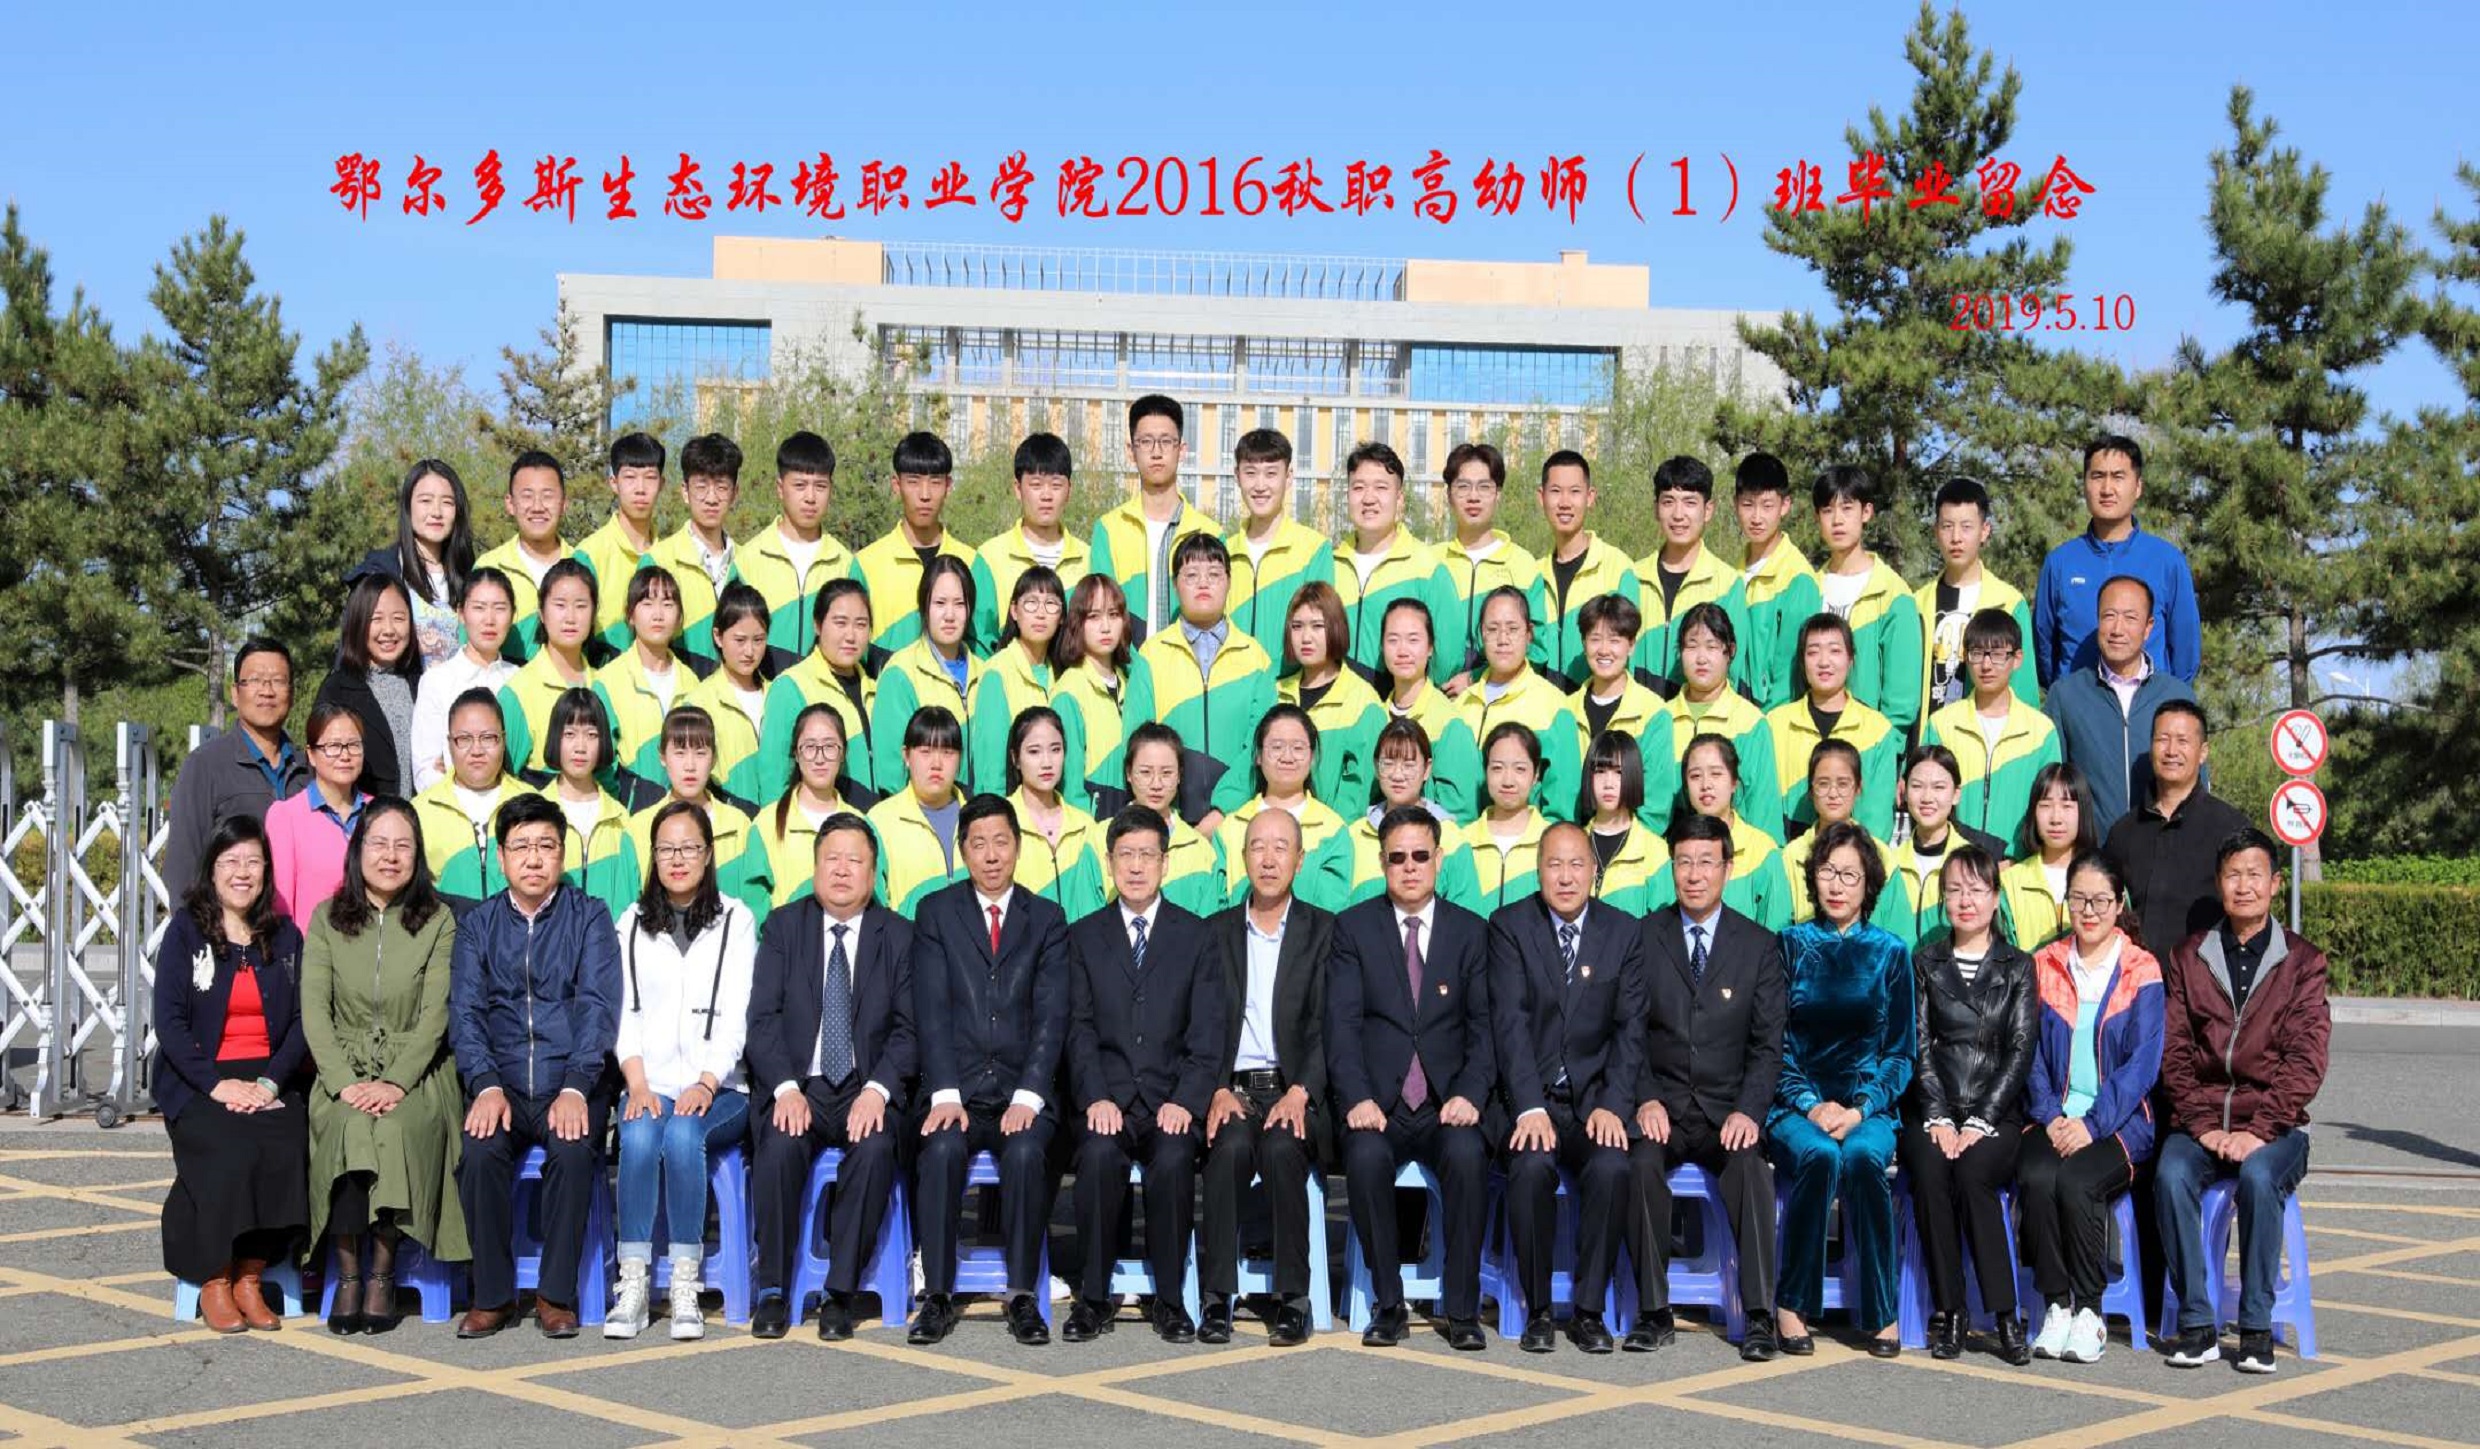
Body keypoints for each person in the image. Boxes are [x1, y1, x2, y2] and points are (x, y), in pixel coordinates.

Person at [2156, 829, 2331, 1376]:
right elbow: (2173, 1053)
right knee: (2170, 1174)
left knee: (2257, 1177)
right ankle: (2197, 1323)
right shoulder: (2189, 957)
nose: (2244, 885)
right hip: (2203, 1121)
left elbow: (2306, 1060)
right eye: (2233, 874)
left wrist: (2260, 1130)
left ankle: (2255, 1327)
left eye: (2255, 874)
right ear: (2219, 883)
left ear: (2276, 884)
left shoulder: (2303, 962)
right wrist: (2203, 1126)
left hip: (2277, 1128)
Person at [450, 792, 622, 1339]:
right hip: (499, 1083)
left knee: (572, 1153)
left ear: (562, 855)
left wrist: (575, 1085)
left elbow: (597, 1007)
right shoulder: (478, 925)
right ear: (501, 857)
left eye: (546, 846)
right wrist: (484, 1083)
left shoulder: (589, 917)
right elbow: (466, 1013)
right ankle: (493, 1295)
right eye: (520, 846)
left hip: (567, 1079)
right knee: (479, 1154)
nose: (533, 858)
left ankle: (555, 1294)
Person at [1329, 807, 1496, 1353]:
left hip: (1448, 1103)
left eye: (1420, 856)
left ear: (1439, 859)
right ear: (1382, 862)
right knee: (1364, 1158)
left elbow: (1485, 1028)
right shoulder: (1353, 929)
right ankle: (1388, 1304)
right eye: (1396, 857)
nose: (1409, 867)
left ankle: (1462, 1309)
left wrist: (1471, 1093)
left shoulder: (1470, 932)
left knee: (1468, 1158)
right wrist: (1356, 1097)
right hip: (1379, 1103)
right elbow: (1341, 1027)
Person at [907, 794, 1071, 1346]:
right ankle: (937, 1295)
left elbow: (1052, 1015)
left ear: (1019, 847)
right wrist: (944, 1093)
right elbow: (931, 1010)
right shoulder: (936, 912)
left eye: (1002, 842)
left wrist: (1029, 1094)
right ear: (963, 852)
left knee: (1025, 1155)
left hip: (1021, 1091)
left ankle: (1022, 1294)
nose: (992, 855)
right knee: (941, 1151)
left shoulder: (1046, 919)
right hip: (956, 1090)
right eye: (978, 844)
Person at [745, 812, 915, 1342]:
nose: (842, 870)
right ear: (815, 866)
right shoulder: (784, 927)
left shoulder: (899, 935)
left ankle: (841, 1292)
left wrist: (878, 1090)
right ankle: (773, 1289)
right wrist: (785, 1088)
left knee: (876, 1146)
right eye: (831, 859)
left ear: (873, 871)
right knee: (779, 1144)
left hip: (867, 1085)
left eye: (854, 860)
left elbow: (910, 1030)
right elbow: (762, 1020)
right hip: (802, 1085)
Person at [300, 797, 466, 1336]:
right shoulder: (326, 919)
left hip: (417, 1072)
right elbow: (314, 1012)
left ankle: (382, 1273)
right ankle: (349, 1273)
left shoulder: (438, 920)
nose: (390, 856)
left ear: (418, 855)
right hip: (343, 1069)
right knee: (351, 1126)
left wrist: (396, 1081)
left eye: (403, 846)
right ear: (358, 850)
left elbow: (435, 1015)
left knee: (393, 1129)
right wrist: (344, 1083)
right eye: (379, 844)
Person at [1629, 813, 1787, 1360]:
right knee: (1639, 1165)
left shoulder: (1758, 946)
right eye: (1684, 862)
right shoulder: (1644, 936)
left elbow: (1768, 1046)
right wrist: (1645, 1097)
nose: (1694, 875)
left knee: (1752, 1172)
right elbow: (1629, 1032)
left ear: (1727, 868)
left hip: (1727, 1110)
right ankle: (1653, 1312)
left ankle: (1760, 1315)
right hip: (1664, 1107)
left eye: (1706, 862)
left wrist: (1749, 1110)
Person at [1063, 806, 1222, 1344]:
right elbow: (1077, 1029)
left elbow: (1208, 1032)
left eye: (1147, 855)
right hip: (1106, 1099)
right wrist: (1094, 1095)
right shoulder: (1084, 936)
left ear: (1165, 862)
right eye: (1125, 855)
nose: (1136, 866)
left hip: (1169, 1100)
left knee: (1174, 1160)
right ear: (1109, 862)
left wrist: (1186, 1100)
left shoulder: (1196, 936)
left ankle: (1169, 1300)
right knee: (1098, 1158)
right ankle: (1093, 1297)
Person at [1491, 822, 1646, 1354]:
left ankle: (1588, 1310)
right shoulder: (1510, 926)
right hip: (1529, 1101)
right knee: (1531, 1167)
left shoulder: (1622, 932)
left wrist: (1614, 1104)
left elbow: (1630, 1031)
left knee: (1612, 1166)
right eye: (1554, 865)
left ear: (1593, 871)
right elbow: (1509, 1025)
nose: (1565, 877)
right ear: (1538, 870)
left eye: (1576, 864)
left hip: (1592, 1102)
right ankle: (1537, 1308)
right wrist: (1527, 1106)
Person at [606, 802, 757, 1341]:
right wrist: (637, 1084)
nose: (677, 859)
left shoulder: (736, 920)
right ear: (652, 855)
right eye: (666, 848)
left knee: (684, 1132)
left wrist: (707, 1081)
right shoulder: (630, 923)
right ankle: (633, 1282)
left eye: (689, 847)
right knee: (640, 1134)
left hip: (722, 1087)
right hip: (649, 1082)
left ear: (709, 854)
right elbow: (623, 1014)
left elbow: (738, 1015)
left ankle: (685, 1283)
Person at [153, 815, 309, 1334]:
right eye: (230, 861)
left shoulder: (285, 936)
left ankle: (251, 1274)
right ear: (212, 869)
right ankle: (215, 1277)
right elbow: (170, 1022)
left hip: (267, 1076)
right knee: (227, 1145)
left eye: (253, 861)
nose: (242, 872)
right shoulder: (186, 931)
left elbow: (303, 1021)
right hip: (200, 1077)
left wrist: (269, 1083)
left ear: (267, 870)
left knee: (286, 1141)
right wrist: (217, 1085)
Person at [1768, 820, 1915, 1358]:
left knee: (1861, 1157)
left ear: (1868, 883)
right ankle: (1792, 1303)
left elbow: (1901, 1054)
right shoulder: (1790, 945)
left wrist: (1858, 1110)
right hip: (1794, 1104)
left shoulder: (1890, 953)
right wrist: (1810, 1105)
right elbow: (1774, 1044)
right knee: (1819, 1156)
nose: (1836, 885)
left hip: (1867, 1107)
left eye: (1849, 875)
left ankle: (1880, 1310)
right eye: (1827, 871)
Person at [2017, 850, 2165, 1365]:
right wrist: (2051, 1116)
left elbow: (2142, 1065)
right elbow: (2029, 1054)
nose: (2089, 910)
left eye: (2101, 900)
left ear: (2119, 904)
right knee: (2037, 1176)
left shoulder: (2142, 970)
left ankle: (2090, 1312)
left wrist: (2094, 1124)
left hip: (2119, 1123)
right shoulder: (2045, 964)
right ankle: (2056, 1305)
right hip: (2053, 1117)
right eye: (2079, 899)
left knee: (2078, 1181)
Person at [1200, 809, 1335, 1346]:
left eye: (1282, 847)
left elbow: (1331, 1027)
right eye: (1258, 846)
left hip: (1294, 1088)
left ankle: (1293, 1298)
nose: (1269, 858)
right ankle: (1217, 1297)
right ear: (1243, 858)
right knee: (1229, 1148)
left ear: (1299, 860)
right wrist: (1215, 1088)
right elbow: (1201, 1023)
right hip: (1233, 1088)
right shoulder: (1215, 933)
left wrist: (1302, 1091)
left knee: (1282, 1149)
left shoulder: (1324, 932)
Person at [1899, 845, 2037, 1364]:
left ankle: (2004, 1315)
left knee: (1975, 1174)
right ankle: (1950, 1310)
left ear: (1996, 898)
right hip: (1933, 1107)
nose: (1965, 901)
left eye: (1976, 890)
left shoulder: (2018, 966)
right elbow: (1918, 1043)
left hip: (1994, 1111)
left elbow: (2020, 1050)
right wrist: (1936, 1114)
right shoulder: (1925, 961)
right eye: (1954, 889)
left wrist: (1981, 1119)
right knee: (1931, 1172)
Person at [1121, 531, 1278, 831]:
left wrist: (1222, 812)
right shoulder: (1152, 655)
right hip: (1167, 823)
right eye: (1191, 575)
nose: (1203, 583)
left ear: (1229, 582)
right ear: (1175, 584)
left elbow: (1261, 745)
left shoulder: (1256, 659)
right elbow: (1137, 742)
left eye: (1214, 574)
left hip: (1238, 821)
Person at [2034, 435, 2202, 687]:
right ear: (2085, 484)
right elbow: (2044, 652)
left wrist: (2161, 699)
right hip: (2077, 706)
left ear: (2138, 487)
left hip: (2148, 708)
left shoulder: (2167, 561)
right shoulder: (2060, 563)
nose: (2107, 489)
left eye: (2118, 477)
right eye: (2097, 476)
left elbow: (2185, 657)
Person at [2043, 575, 2200, 837]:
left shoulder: (2177, 695)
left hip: (2162, 849)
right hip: (2091, 854)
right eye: (2109, 616)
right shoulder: (2065, 696)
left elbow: (2197, 786)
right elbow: (2050, 785)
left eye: (2130, 618)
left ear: (2148, 627)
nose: (2118, 629)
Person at [2104, 700, 2250, 959]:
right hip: (2133, 978)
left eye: (2183, 741)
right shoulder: (2123, 833)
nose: (2171, 751)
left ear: (2203, 752)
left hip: (2204, 978)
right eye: (2163, 739)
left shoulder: (2231, 829)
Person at [166, 638, 309, 903]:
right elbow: (183, 868)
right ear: (235, 693)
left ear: (291, 693)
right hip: (229, 925)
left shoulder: (308, 769)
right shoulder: (205, 766)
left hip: (297, 925)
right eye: (255, 680)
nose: (267, 691)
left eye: (278, 681)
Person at [1921, 608, 2060, 852]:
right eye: (1976, 653)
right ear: (1965, 657)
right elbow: (1926, 797)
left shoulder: (2041, 732)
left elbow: (2050, 804)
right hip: (1954, 862)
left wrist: (2017, 857)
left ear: (2017, 658)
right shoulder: (1941, 725)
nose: (1986, 665)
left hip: (2016, 864)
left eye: (1997, 654)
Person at [623, 705, 773, 921]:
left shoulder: (739, 825)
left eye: (700, 753)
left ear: (714, 759)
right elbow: (630, 909)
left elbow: (754, 905)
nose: (690, 765)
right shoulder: (638, 827)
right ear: (662, 757)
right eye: (680, 753)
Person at [1334, 441, 1463, 688]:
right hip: (1338, 708)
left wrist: (1415, 701)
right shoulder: (1330, 565)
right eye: (1358, 487)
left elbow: (1448, 657)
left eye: (1381, 487)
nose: (1369, 498)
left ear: (1400, 498)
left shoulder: (1427, 568)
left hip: (1401, 707)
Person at [1454, 585, 1585, 824]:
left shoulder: (1553, 706)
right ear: (1481, 634)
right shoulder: (1462, 704)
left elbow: (1562, 807)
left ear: (1529, 633)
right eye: (1492, 629)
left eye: (1513, 629)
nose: (1502, 639)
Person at [1091, 394, 1217, 641]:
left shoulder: (1208, 532)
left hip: (1190, 664)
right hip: (1127, 663)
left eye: (1166, 441)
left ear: (1181, 450)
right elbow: (1100, 613)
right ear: (1131, 451)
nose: (1156, 452)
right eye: (1146, 441)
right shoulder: (1108, 529)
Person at [1810, 465, 1923, 736]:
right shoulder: (1807, 589)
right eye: (1828, 510)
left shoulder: (1893, 595)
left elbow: (1902, 705)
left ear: (1867, 512)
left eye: (1847, 508)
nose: (1837, 520)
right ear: (1817, 517)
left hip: (1868, 749)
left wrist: (1879, 753)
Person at [735, 432, 860, 676]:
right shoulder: (747, 562)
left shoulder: (846, 565)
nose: (810, 498)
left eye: (820, 486)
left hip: (827, 696)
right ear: (780, 488)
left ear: (831, 490)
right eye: (800, 486)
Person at [1767, 613, 1899, 842]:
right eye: (1813, 652)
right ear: (1802, 662)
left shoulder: (1878, 731)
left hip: (1854, 860)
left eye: (1835, 651)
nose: (1824, 662)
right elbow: (1765, 811)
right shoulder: (1774, 725)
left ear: (1851, 659)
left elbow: (1877, 826)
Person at [1212, 705, 1355, 912]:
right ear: (1258, 755)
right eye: (1277, 747)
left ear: (1312, 757)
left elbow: (1333, 911)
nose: (1287, 757)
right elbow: (1217, 909)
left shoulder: (1333, 831)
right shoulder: (1230, 828)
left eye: (1298, 748)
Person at [1658, 603, 1781, 838]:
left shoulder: (1751, 723)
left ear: (1730, 651)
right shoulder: (1660, 719)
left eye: (1712, 646)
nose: (1701, 658)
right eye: (1691, 646)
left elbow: (1764, 815)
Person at [1917, 478, 2038, 716]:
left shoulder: (2009, 603)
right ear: (1936, 531)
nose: (1956, 537)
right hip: (1928, 735)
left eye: (1966, 527)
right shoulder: (1916, 604)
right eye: (1947, 526)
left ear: (1984, 531)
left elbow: (2024, 694)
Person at [756, 578, 881, 802]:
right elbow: (773, 779)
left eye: (861, 624)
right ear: (817, 624)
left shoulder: (875, 690)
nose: (851, 636)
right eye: (840, 623)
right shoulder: (791, 687)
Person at [1439, 441, 1550, 690]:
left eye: (1484, 487)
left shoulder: (1522, 565)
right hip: (1436, 699)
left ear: (1498, 494)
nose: (1473, 497)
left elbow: (1537, 650)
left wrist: (1477, 678)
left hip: (1502, 701)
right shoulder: (1430, 563)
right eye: (1463, 486)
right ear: (1449, 495)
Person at [970, 432, 1092, 656]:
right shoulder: (990, 557)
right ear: (1018, 489)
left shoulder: (1089, 559)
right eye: (1036, 485)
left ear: (1069, 490)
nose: (1046, 495)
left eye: (1056, 485)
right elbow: (979, 642)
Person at [1778, 740, 1914, 940]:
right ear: (1811, 790)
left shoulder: (1881, 856)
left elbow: (1901, 935)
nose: (1833, 794)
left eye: (1843, 784)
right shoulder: (1791, 856)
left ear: (1858, 788)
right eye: (1823, 784)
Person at [1634, 455, 1750, 689]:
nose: (1678, 515)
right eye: (1668, 502)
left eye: (1689, 502)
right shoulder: (1633, 578)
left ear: (1708, 510)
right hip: (1640, 712)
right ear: (1656, 508)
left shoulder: (1727, 585)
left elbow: (1732, 672)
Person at [857, 431, 977, 657]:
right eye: (913, 482)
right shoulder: (866, 565)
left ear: (948, 486)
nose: (924, 495)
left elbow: (981, 647)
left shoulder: (972, 563)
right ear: (896, 485)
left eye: (935, 482)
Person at [1224, 427, 1337, 664]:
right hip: (1230, 682)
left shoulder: (1314, 550)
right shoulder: (1223, 552)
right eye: (1250, 473)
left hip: (1289, 684)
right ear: (1237, 476)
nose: (1260, 485)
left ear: (1289, 477)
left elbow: (1320, 633)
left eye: (1271, 473)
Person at [869, 555, 981, 797]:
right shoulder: (900, 674)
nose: (949, 615)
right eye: (940, 603)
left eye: (959, 604)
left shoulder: (987, 674)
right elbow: (891, 774)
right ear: (924, 607)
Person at [1346, 718, 1484, 910]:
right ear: (1376, 767)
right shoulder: (1354, 836)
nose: (1397, 775)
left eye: (1409, 765)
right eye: (1388, 763)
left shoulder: (1451, 838)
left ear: (1427, 769)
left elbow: (1468, 915)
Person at [353, 459, 476, 670]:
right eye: (425, 500)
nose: (436, 512)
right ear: (408, 507)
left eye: (447, 502)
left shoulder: (471, 575)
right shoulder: (381, 572)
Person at [1567, 595, 1679, 827]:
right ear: (1583, 643)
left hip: (1633, 844)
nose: (1604, 650)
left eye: (1615, 640)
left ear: (1631, 645)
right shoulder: (1564, 711)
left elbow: (1656, 807)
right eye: (1595, 639)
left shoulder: (1653, 714)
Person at [1277, 581, 1387, 815]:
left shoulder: (1363, 701)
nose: (1306, 637)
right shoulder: (1275, 693)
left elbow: (1356, 795)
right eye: (1297, 626)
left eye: (1317, 626)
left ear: (1336, 628)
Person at [1662, 734, 1793, 929]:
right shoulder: (1670, 850)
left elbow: (1777, 930)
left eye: (1716, 774)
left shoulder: (1762, 851)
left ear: (1734, 783)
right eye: (1695, 776)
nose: (1706, 785)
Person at [1532, 449, 1638, 690]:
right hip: (1543, 710)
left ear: (1590, 497)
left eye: (1575, 491)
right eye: (1555, 491)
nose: (1565, 503)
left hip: (1597, 705)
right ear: (1541, 497)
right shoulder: (1533, 575)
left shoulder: (1618, 569)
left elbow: (1627, 655)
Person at [411, 689, 522, 917]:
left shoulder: (530, 803)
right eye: (464, 739)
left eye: (488, 738)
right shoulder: (420, 811)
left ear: (503, 740)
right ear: (449, 744)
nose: (477, 750)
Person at [315, 572, 424, 800]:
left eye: (399, 618)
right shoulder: (338, 690)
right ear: (358, 622)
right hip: (363, 818)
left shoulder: (422, 683)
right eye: (376, 619)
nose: (389, 630)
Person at [754, 704, 871, 913]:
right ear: (796, 754)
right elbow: (755, 906)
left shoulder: (862, 825)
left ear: (843, 753)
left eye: (829, 746)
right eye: (809, 747)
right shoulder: (766, 824)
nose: (819, 758)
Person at [410, 567, 519, 792]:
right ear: (461, 613)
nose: (489, 620)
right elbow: (425, 772)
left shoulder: (520, 679)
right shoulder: (436, 682)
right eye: (479, 608)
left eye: (500, 608)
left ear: (513, 615)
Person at [643, 432, 743, 675]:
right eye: (701, 487)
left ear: (735, 493)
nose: (711, 498)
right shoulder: (659, 561)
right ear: (685, 492)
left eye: (722, 487)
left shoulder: (749, 563)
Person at [590, 566, 691, 806]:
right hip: (628, 814)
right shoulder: (607, 682)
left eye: (668, 604)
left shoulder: (693, 684)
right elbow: (602, 765)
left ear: (679, 618)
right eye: (647, 603)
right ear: (630, 616)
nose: (658, 614)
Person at [263, 705, 369, 932]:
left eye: (353, 745)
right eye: (333, 746)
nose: (345, 755)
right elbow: (280, 906)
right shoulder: (286, 817)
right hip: (311, 949)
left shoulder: (380, 814)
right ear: (311, 755)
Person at [536, 688, 638, 919]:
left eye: (592, 735)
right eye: (570, 734)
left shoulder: (620, 820)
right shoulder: (535, 815)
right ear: (555, 738)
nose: (580, 747)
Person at [1888, 745, 2006, 944]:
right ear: (1904, 791)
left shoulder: (1976, 864)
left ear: (1956, 794)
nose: (1927, 797)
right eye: (1917, 786)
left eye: (1939, 787)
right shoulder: (1889, 863)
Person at [1375, 597, 1481, 820]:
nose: (1402, 651)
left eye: (1413, 640)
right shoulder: (1375, 715)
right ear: (1382, 647)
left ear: (1430, 647)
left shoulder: (1448, 723)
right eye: (1393, 640)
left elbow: (1460, 816)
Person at [498, 559, 601, 787]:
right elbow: (505, 782)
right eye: (560, 605)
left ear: (594, 613)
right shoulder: (518, 692)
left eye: (581, 606)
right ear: (542, 613)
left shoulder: (604, 686)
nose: (570, 617)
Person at [1732, 452, 1822, 710]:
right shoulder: (1730, 575)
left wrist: (1764, 727)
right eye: (1748, 504)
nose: (1756, 517)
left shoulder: (1798, 579)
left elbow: (1789, 682)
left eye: (1767, 505)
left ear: (1785, 505)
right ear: (1735, 504)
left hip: (1770, 720)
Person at [1111, 724, 1230, 917]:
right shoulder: (1099, 839)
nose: (1156, 784)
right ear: (1129, 773)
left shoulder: (1199, 850)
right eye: (1146, 772)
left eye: (1166, 773)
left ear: (1180, 776)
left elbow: (1210, 925)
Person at [966, 565, 1066, 795]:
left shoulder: (1062, 673)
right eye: (1031, 603)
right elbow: (992, 769)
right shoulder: (997, 673)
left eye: (1051, 604)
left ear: (1062, 617)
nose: (1040, 613)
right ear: (1014, 611)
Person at [1005, 707, 1108, 920]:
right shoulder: (1002, 823)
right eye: (1034, 752)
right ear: (1015, 758)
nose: (1047, 762)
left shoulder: (1085, 825)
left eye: (1055, 749)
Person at [679, 582, 772, 809]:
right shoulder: (698, 703)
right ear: (718, 637)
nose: (749, 651)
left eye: (758, 640)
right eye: (739, 640)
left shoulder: (779, 696)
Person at [473, 451, 571, 666]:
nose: (537, 507)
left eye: (547, 496)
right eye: (527, 496)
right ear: (510, 503)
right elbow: (471, 652)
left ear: (564, 503)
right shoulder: (488, 567)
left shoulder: (582, 565)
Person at [574, 432, 665, 658]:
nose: (640, 488)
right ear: (614, 483)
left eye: (650, 477)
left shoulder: (670, 556)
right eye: (630, 477)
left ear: (662, 484)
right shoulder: (589, 556)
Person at [1051, 573, 1133, 810]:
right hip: (1093, 818)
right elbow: (1070, 789)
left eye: (1113, 615)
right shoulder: (1068, 692)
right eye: (1094, 616)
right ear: (1078, 623)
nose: (1106, 627)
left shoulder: (1130, 682)